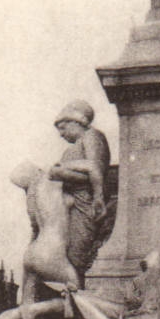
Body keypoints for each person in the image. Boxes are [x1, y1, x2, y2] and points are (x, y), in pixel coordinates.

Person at [48, 101, 113, 280]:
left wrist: (61, 172)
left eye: (63, 128)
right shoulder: (74, 146)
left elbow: (95, 170)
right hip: (69, 205)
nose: (61, 134)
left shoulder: (92, 136)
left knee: (76, 255)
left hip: (85, 203)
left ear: (76, 122)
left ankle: (76, 293)